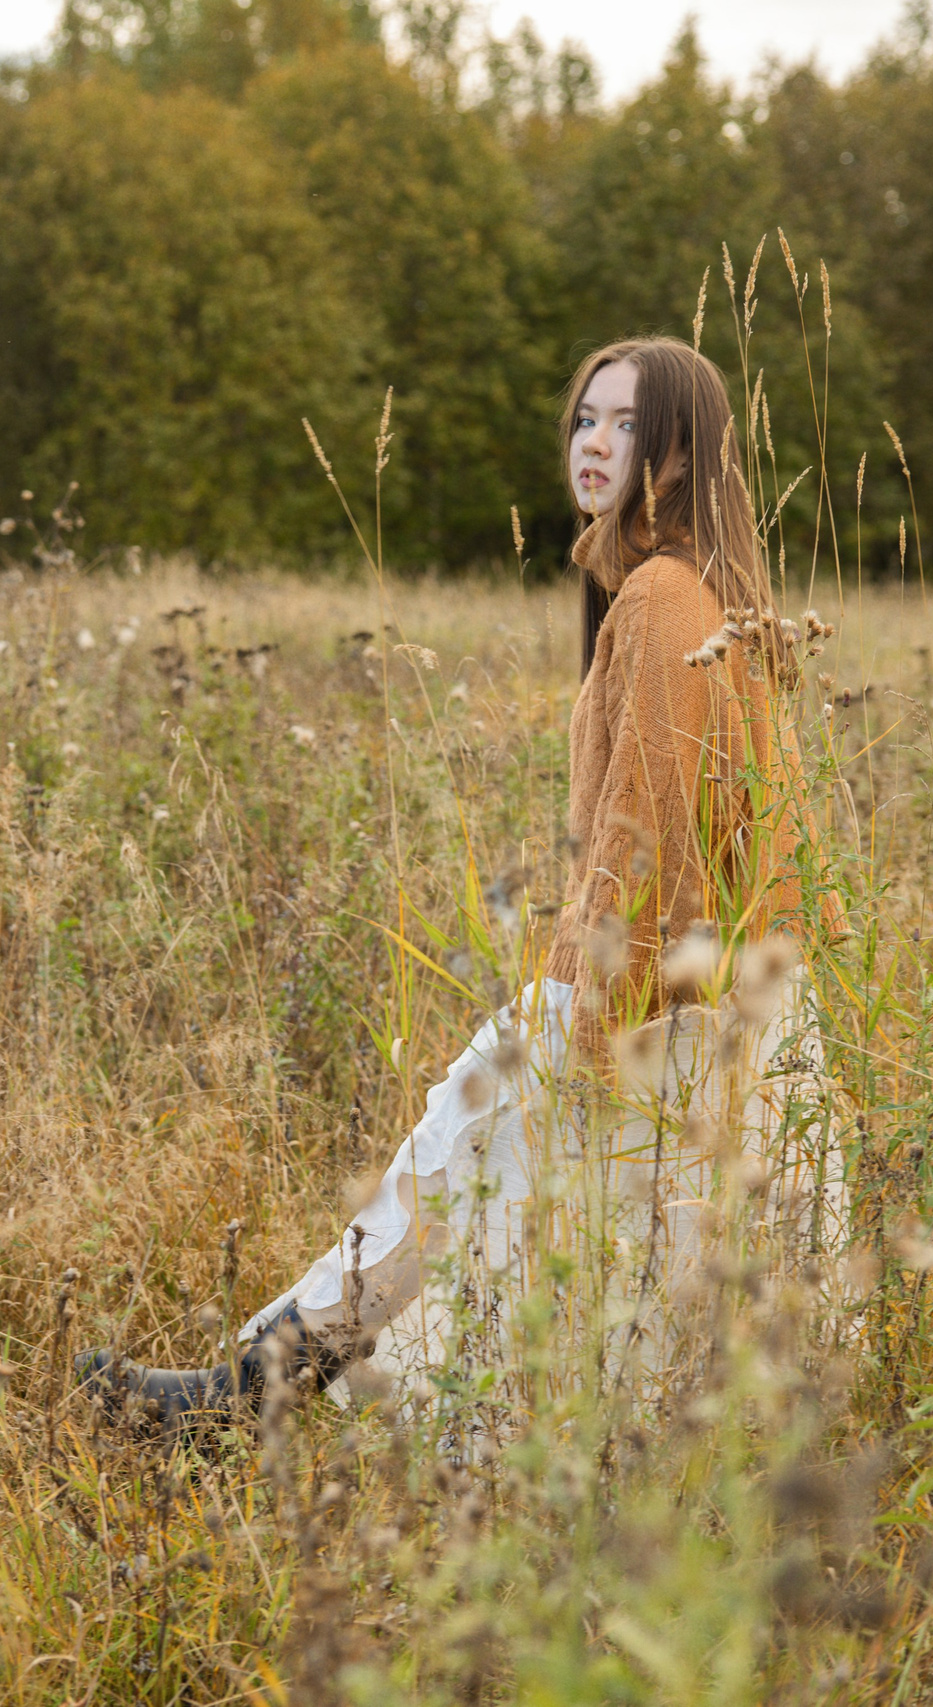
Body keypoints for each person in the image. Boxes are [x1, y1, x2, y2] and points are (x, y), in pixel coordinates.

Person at [82, 337, 835, 1432]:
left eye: (627, 424)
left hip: (659, 1003)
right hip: (711, 999)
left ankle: (250, 1395)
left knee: (453, 1170)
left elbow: (650, 821)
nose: (594, 442)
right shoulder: (680, 589)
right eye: (586, 417)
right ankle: (273, 1392)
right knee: (569, 1230)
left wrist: (592, 1011)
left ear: (679, 454)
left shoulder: (668, 596)